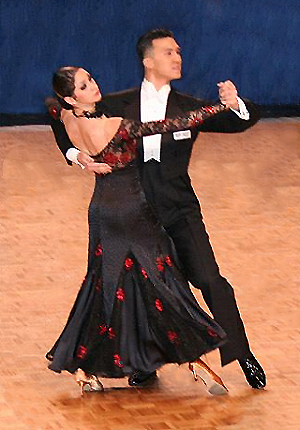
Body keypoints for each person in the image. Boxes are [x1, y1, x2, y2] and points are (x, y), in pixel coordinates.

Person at [48, 29, 266, 391]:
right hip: (132, 211)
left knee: (209, 280)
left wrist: (234, 102)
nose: (178, 57)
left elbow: (239, 120)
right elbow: (58, 113)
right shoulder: (114, 104)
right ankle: (145, 363)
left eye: (179, 52)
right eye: (169, 52)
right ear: (148, 60)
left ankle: (242, 353)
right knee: (136, 287)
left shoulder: (186, 105)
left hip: (177, 209)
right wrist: (77, 156)